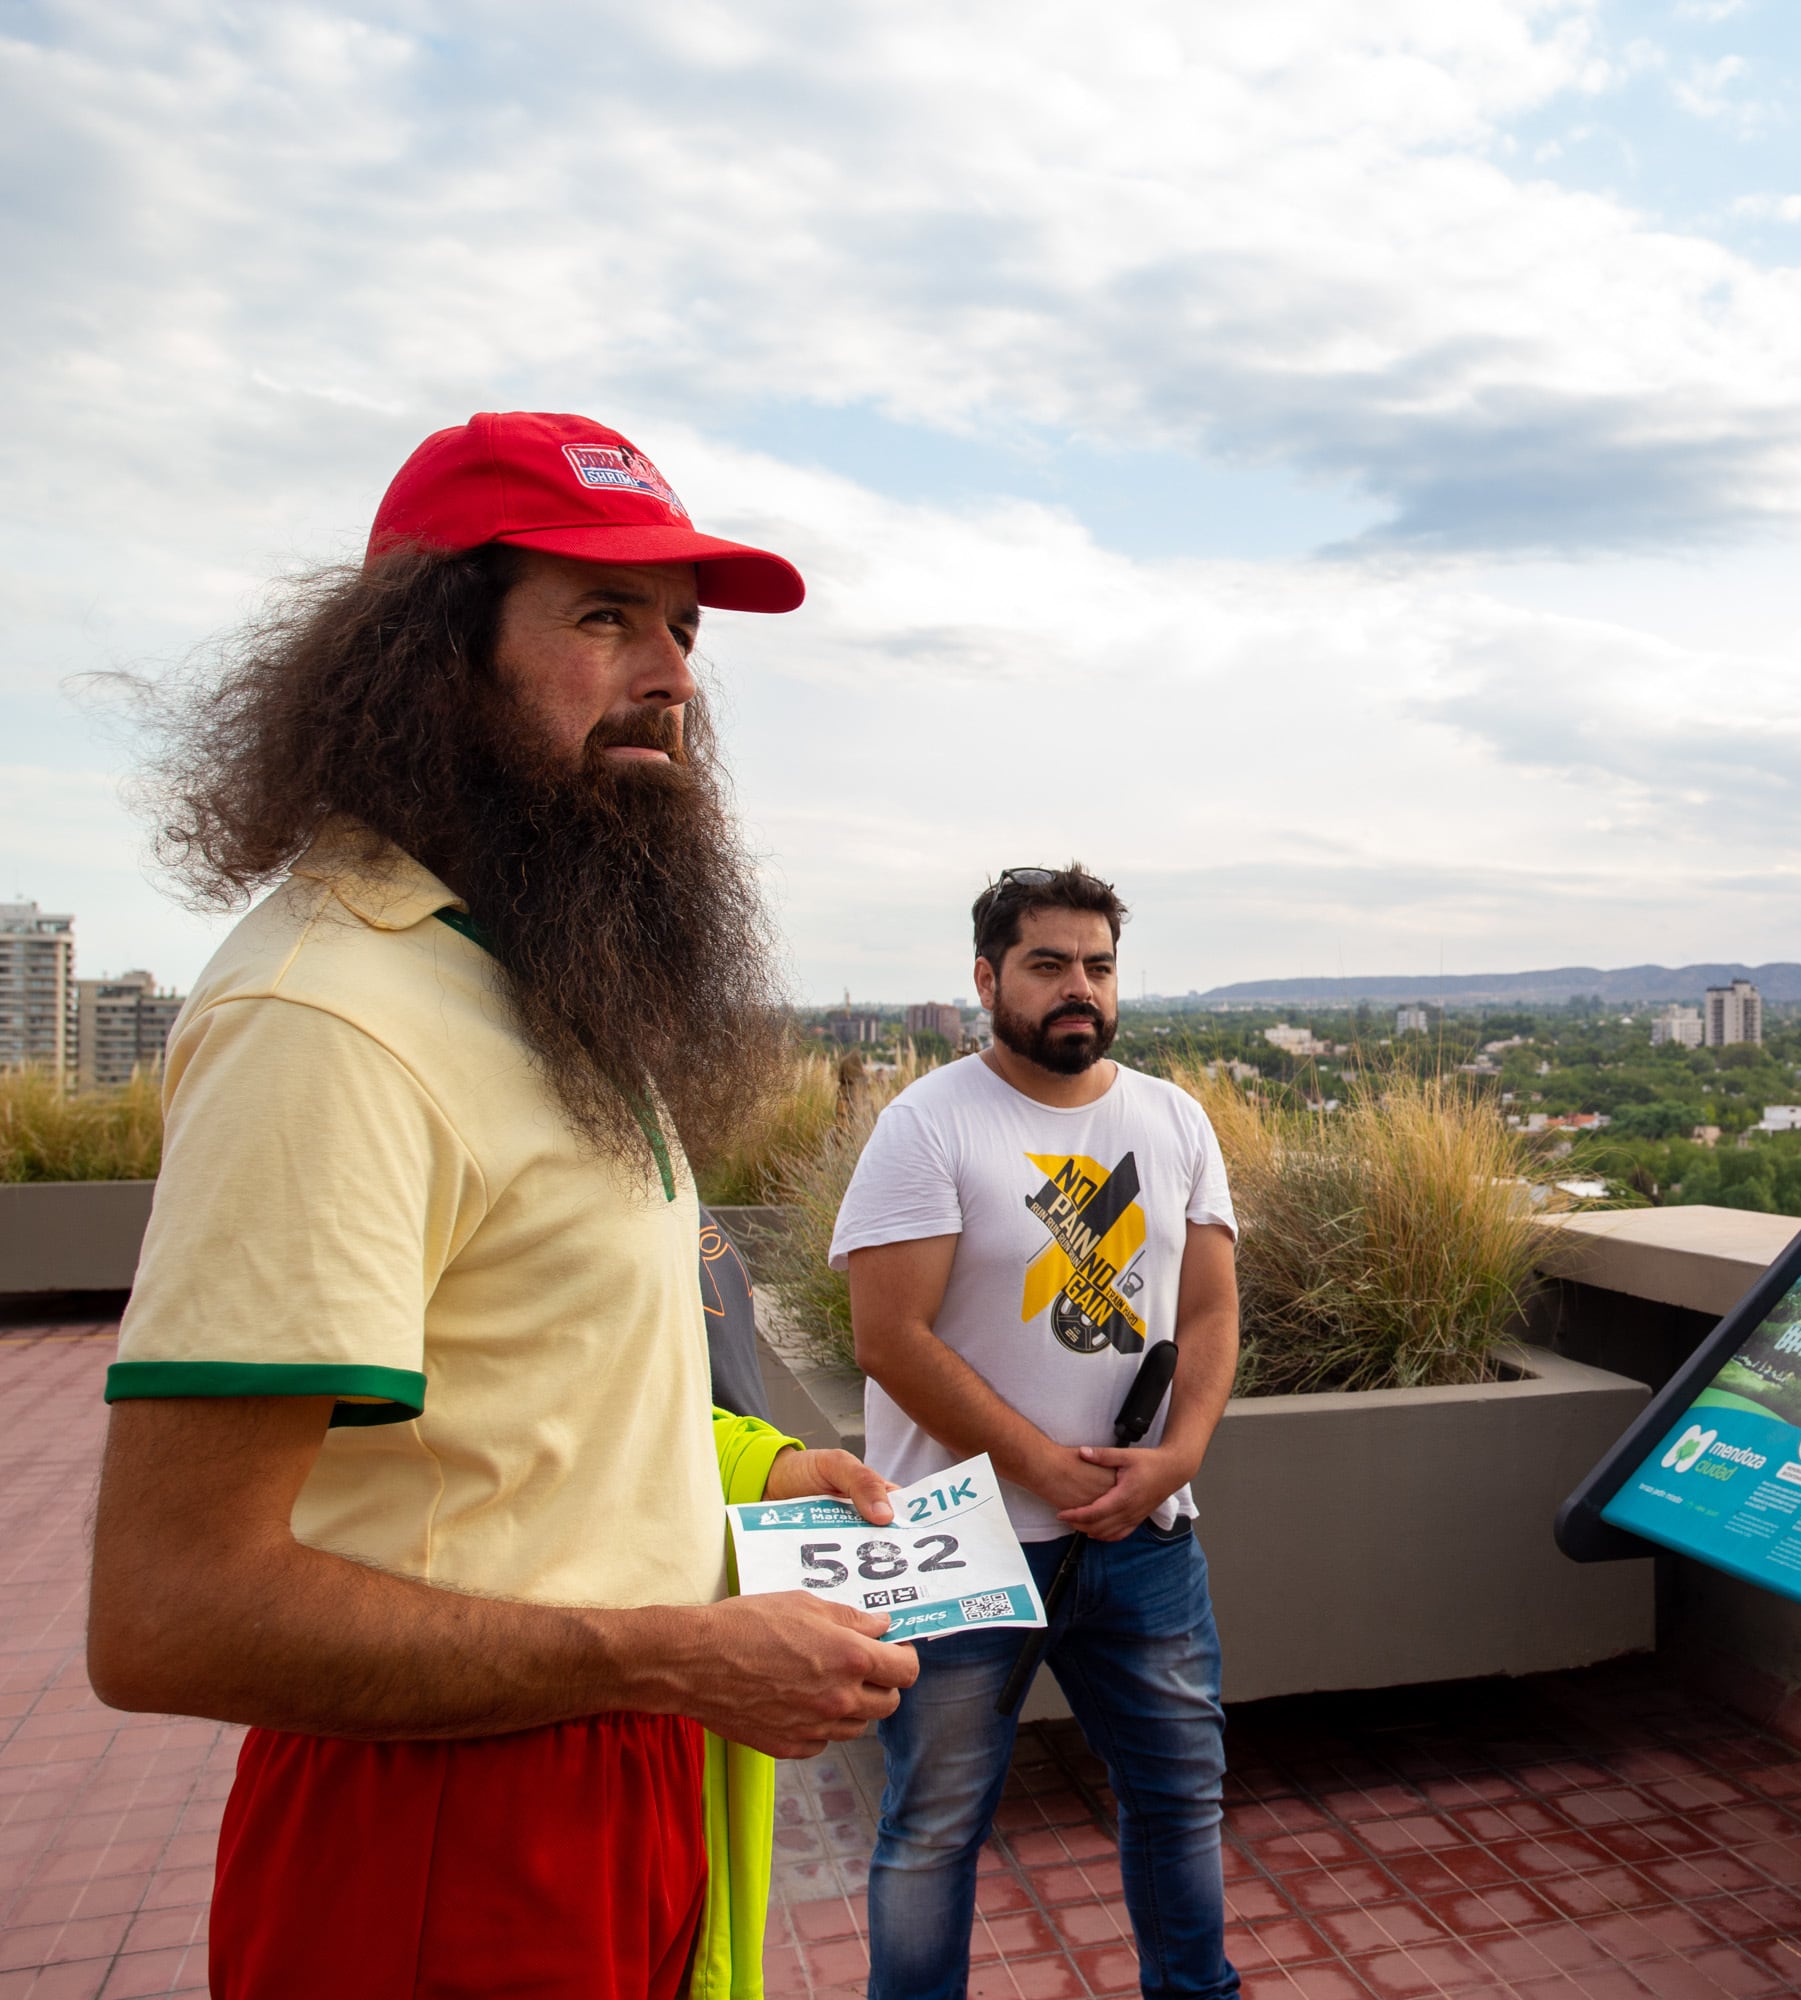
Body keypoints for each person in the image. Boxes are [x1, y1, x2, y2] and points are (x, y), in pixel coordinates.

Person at [87, 412, 921, 1999]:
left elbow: (524, 1400)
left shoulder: (526, 980)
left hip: (619, 1786)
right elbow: (169, 1610)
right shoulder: (332, 1019)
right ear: (426, 657)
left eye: (681, 629)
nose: (672, 677)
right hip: (437, 1841)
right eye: (603, 618)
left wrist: (754, 1473)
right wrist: (670, 1652)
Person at [835, 866, 1242, 2000]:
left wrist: (1183, 1450)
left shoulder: (1173, 1118)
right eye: (1049, 964)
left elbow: (1208, 1310)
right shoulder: (927, 1124)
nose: (1080, 989)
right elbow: (889, 1336)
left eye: (1098, 966)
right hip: (965, 1539)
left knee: (1180, 1797)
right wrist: (1040, 1464)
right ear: (987, 976)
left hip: (1145, 1536)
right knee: (933, 1825)